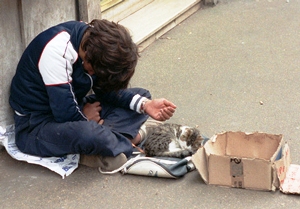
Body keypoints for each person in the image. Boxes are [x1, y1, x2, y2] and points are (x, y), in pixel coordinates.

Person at [9, 19, 176, 172]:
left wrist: (146, 105)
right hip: (36, 127)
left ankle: (108, 143)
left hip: (76, 108)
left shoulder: (92, 41)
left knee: (141, 95)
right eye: (93, 71)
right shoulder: (56, 52)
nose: (92, 74)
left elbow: (106, 90)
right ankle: (127, 143)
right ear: (87, 58)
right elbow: (64, 114)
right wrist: (86, 118)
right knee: (88, 132)